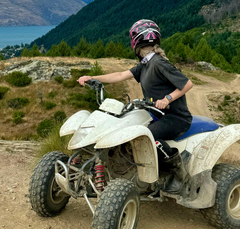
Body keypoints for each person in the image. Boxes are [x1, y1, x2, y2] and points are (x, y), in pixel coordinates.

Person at [77, 19, 193, 194]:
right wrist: (93, 78)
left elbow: (187, 84)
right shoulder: (145, 64)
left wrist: (167, 99)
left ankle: (178, 173)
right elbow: (120, 75)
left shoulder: (159, 63)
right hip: (157, 115)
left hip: (176, 117)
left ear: (137, 40)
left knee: (147, 137)